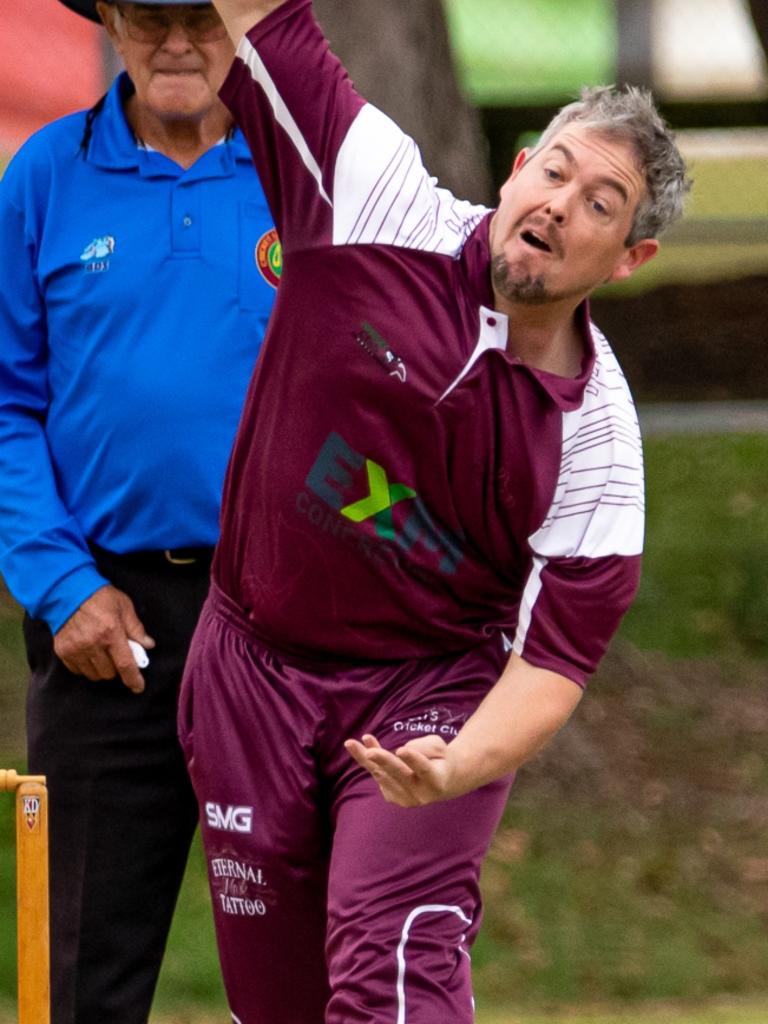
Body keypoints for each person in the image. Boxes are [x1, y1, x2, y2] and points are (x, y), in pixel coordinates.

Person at [178, 1, 691, 1021]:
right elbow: (260, 20)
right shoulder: (380, 202)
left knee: (388, 962)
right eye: (554, 170)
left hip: (427, 694)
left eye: (601, 202)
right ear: (515, 171)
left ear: (628, 257)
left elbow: (551, 661)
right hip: (249, 667)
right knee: (274, 1000)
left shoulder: (596, 442)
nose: (559, 203)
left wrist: (458, 759)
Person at [0, 1, 277, 1021]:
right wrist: (62, 584)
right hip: (109, 629)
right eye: (150, 14)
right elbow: (4, 401)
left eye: (201, 16)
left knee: (311, 960)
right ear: (112, 20)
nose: (175, 42)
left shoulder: (306, 173)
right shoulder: (43, 177)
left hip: (284, 628)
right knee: (85, 974)